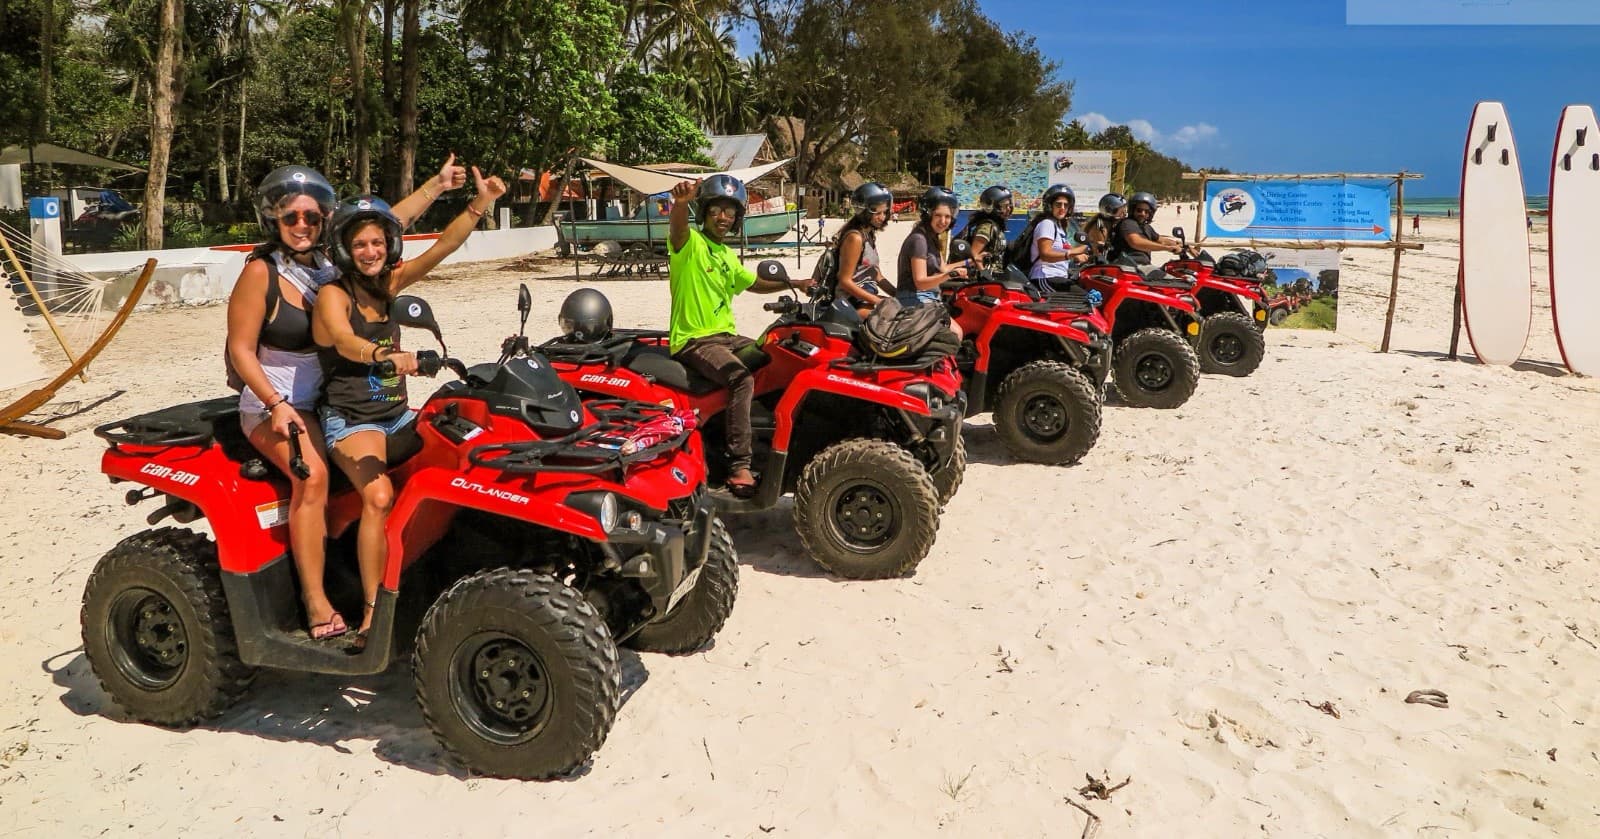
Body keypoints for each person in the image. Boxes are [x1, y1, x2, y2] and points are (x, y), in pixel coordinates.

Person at [225, 157, 465, 641]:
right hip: (277, 401)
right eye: (291, 216)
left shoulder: (327, 264)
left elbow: (385, 223)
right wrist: (276, 404)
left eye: (312, 217)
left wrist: (437, 186)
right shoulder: (262, 272)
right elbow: (239, 350)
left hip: (332, 400)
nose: (301, 225)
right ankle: (316, 604)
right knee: (311, 477)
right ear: (273, 218)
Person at [311, 165, 506, 643]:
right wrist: (385, 355)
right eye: (360, 245)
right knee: (378, 497)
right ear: (344, 251)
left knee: (467, 454)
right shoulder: (333, 296)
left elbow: (444, 247)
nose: (371, 252)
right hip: (351, 419)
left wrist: (480, 204)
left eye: (378, 243)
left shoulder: (389, 285)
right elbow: (340, 340)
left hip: (397, 414)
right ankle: (374, 613)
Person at [666, 175, 810, 497]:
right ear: (704, 212)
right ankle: (739, 465)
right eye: (717, 210)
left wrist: (796, 284)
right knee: (740, 378)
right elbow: (677, 231)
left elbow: (754, 283)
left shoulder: (725, 254)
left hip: (727, 336)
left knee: (777, 352)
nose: (723, 218)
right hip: (694, 339)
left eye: (730, 213)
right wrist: (680, 203)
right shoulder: (690, 245)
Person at [897, 186, 967, 338]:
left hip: (930, 297)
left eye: (947, 217)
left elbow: (943, 268)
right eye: (938, 216)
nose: (943, 221)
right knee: (955, 334)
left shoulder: (932, 238)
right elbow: (920, 282)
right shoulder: (919, 240)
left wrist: (968, 263)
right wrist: (950, 275)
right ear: (928, 215)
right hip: (915, 298)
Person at [832, 182, 896, 316]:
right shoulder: (855, 238)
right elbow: (844, 281)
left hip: (866, 296)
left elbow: (876, 275)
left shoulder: (869, 235)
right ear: (863, 211)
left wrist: (898, 294)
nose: (882, 217)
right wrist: (878, 301)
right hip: (850, 302)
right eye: (877, 212)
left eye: (885, 212)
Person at [1029, 184, 1089, 292]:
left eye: (1066, 205)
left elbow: (1061, 253)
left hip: (1058, 277)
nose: (1062, 208)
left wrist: (1077, 257)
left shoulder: (1059, 227)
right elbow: (1045, 254)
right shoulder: (1047, 224)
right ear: (1049, 205)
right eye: (1058, 204)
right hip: (1045, 277)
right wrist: (1072, 252)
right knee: (1084, 298)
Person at [1108, 191, 1186, 266]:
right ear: (1132, 210)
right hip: (1129, 266)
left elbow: (1162, 240)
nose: (1143, 213)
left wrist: (1184, 246)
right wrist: (1167, 248)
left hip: (1142, 267)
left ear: (1150, 213)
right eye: (1139, 210)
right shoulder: (1127, 223)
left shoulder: (1146, 227)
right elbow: (1136, 242)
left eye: (1147, 211)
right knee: (1172, 279)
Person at [961, 185, 1013, 267]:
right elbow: (974, 256)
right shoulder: (987, 227)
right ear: (992, 208)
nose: (1009, 209)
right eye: (1004, 206)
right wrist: (984, 273)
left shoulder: (995, 226)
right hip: (981, 278)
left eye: (1009, 205)